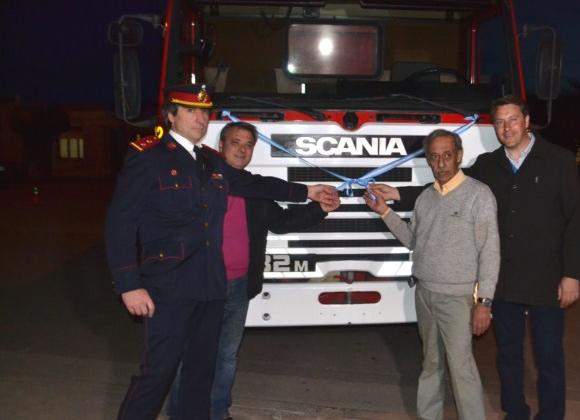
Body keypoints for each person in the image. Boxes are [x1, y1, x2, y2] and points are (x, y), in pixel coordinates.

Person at [105, 84, 337, 420]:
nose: (200, 118)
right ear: (171, 116)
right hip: (169, 286)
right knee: (158, 373)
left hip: (211, 287)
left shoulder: (211, 162)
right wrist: (129, 283)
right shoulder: (149, 157)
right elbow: (120, 223)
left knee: (201, 373)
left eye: (205, 112)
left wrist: (307, 191)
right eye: (190, 111)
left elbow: (254, 184)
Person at [372, 95, 580, 420]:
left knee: (548, 356)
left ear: (527, 121)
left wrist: (572, 273)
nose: (506, 127)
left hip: (547, 275)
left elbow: (576, 220)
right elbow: (447, 185)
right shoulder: (489, 165)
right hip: (504, 278)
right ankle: (515, 412)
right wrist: (398, 196)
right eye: (500, 122)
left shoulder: (558, 160)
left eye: (513, 119)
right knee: (509, 354)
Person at [168, 121, 339, 420]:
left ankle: (218, 413)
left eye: (248, 145)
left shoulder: (254, 188)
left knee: (226, 358)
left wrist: (320, 209)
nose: (242, 149)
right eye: (235, 142)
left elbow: (282, 222)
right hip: (201, 285)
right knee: (191, 355)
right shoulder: (199, 178)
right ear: (220, 146)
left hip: (238, 286)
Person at [364, 129, 500, 420]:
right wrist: (385, 212)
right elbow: (414, 241)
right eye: (434, 157)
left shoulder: (479, 195)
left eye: (447, 155)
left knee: (462, 369)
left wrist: (484, 302)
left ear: (459, 156)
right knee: (430, 365)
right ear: (428, 160)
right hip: (424, 293)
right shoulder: (425, 198)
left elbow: (490, 252)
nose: (441, 163)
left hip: (458, 298)